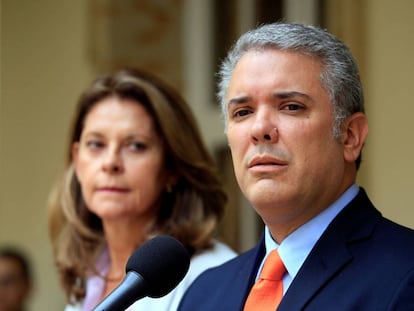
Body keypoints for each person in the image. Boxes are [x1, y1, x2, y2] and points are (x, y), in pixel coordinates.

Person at [178, 22, 414, 311]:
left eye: (291, 106)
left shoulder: (405, 273)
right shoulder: (204, 293)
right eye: (243, 112)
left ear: (350, 136)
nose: (260, 129)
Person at [48, 68, 236, 310]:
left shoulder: (214, 275)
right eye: (96, 144)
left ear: (172, 167)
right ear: (77, 160)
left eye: (135, 145)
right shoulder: (88, 276)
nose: (110, 163)